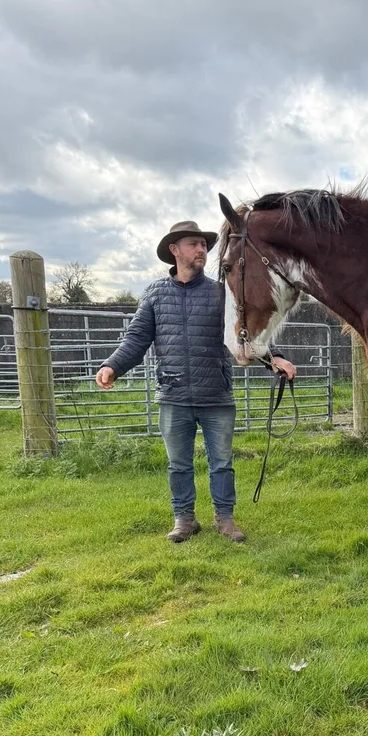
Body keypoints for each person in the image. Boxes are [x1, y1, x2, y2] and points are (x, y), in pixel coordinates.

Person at [95, 219, 296, 543]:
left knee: (221, 464)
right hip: (173, 395)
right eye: (194, 243)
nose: (202, 249)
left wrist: (274, 359)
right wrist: (112, 366)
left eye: (204, 244)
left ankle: (225, 519)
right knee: (178, 465)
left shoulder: (221, 293)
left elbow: (243, 333)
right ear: (175, 250)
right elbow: (136, 339)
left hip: (216, 395)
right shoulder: (155, 295)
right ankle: (184, 519)